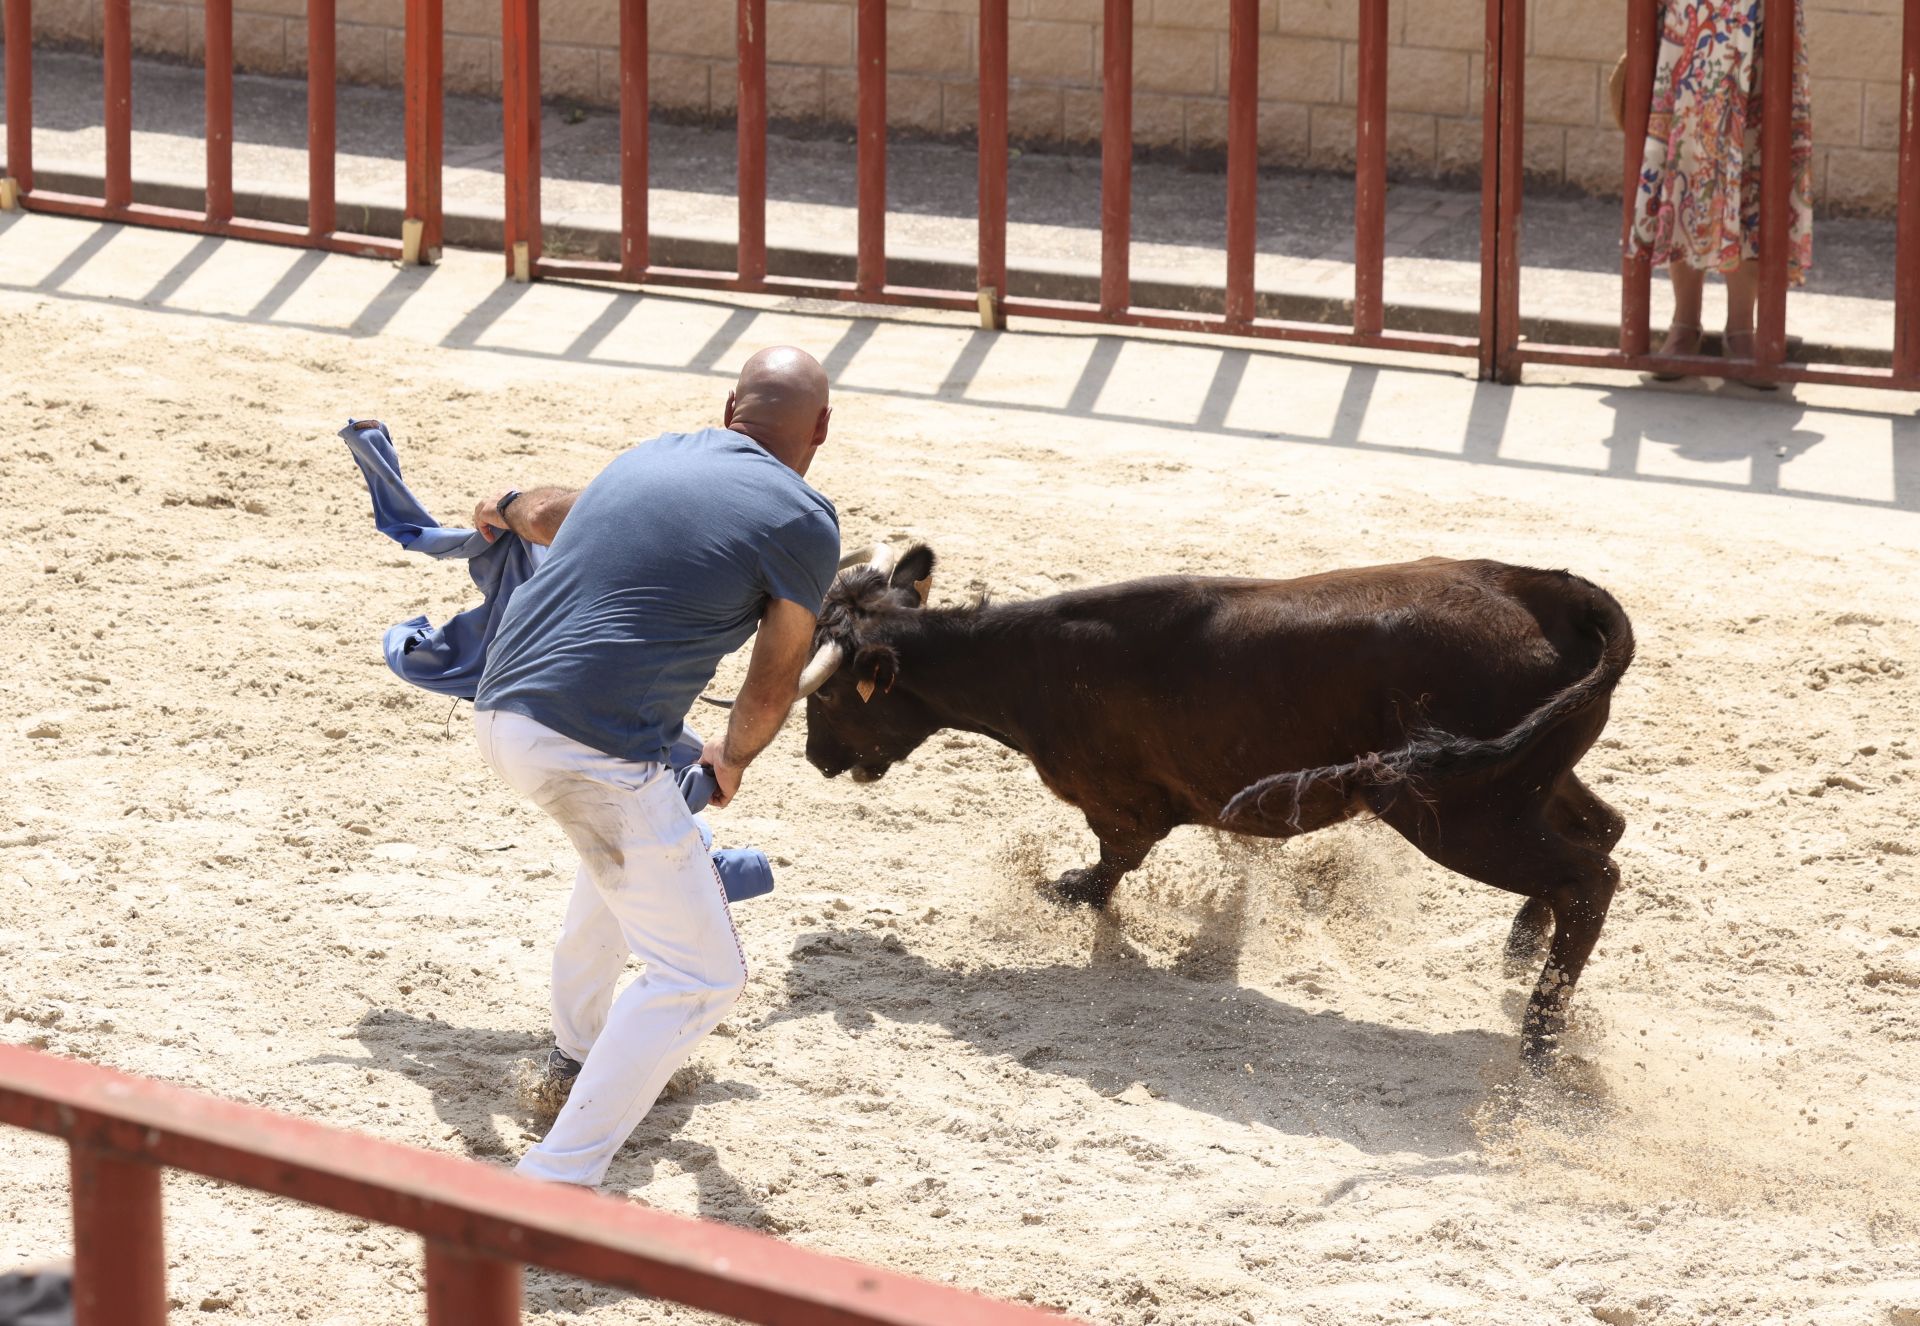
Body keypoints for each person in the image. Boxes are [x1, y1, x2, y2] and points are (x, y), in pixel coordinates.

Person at [469, 346, 840, 1189]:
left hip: (503, 713)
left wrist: (504, 504)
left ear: (728, 410)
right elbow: (774, 678)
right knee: (702, 976)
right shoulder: (803, 518)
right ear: (820, 428)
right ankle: (557, 1177)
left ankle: (576, 1053)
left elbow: (555, 512)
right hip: (590, 750)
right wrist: (733, 755)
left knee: (621, 865)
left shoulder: (651, 455)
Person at [1630, 0, 1812, 374]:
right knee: (1687, 151)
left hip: (1765, 14)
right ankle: (1685, 323)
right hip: (1689, 12)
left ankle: (1741, 328)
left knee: (1756, 163)